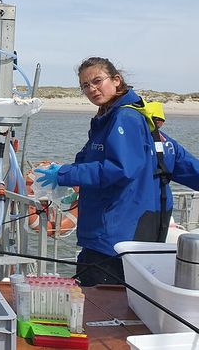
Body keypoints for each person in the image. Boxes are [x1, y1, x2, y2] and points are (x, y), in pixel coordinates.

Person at [36, 57, 199, 286]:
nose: (91, 89)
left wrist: (63, 175)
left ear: (116, 80)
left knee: (101, 301)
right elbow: (181, 163)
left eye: (97, 80)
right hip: (128, 232)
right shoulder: (121, 119)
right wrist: (72, 177)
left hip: (116, 235)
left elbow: (119, 169)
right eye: (85, 86)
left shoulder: (125, 117)